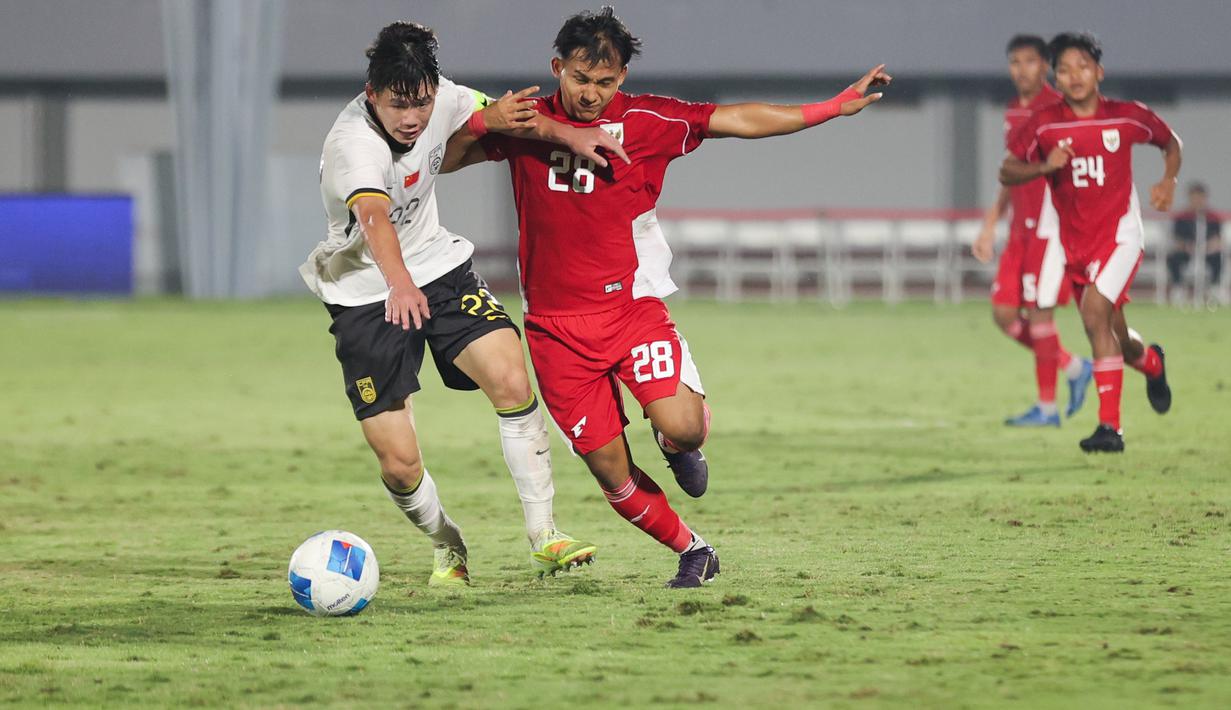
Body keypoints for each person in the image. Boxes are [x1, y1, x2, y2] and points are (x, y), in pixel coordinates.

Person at [443, 6, 889, 586]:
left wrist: (830, 108)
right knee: (611, 472)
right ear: (557, 68)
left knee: (684, 427)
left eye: (604, 82)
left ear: (621, 78)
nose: (590, 95)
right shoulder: (523, 121)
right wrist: (483, 123)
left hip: (630, 311)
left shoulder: (651, 119)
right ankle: (695, 550)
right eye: (580, 79)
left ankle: (674, 440)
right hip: (554, 330)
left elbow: (739, 119)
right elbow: (443, 159)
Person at [298, 21, 626, 585]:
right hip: (364, 294)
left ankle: (545, 536)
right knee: (399, 463)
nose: (413, 119)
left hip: (439, 269)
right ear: (372, 94)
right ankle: (447, 542)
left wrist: (568, 136)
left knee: (510, 377)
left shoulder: (442, 95)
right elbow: (374, 217)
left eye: (422, 104)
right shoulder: (351, 144)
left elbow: (507, 115)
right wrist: (398, 284)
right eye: (399, 105)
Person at [1000, 32, 1178, 453]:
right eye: (1064, 69)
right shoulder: (1044, 124)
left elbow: (1170, 142)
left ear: (1098, 72)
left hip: (1120, 238)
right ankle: (1151, 364)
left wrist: (1169, 180)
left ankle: (1109, 429)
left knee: (1095, 315)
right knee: (1114, 333)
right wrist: (1045, 165)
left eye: (1082, 66)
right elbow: (1008, 170)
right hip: (1076, 246)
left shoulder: (1126, 116)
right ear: (1055, 78)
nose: (1074, 75)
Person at [972, 34, 1092, 427]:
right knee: (1004, 313)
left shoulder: (1056, 109)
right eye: (1014, 62)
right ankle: (1073, 367)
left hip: (1047, 228)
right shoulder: (1013, 110)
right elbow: (1010, 169)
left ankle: (1046, 408)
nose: (1020, 69)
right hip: (1019, 229)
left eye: (1029, 61)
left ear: (1045, 67)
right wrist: (990, 224)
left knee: (1040, 319)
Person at [1167, 182, 1223, 298]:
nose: (1197, 201)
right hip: (1187, 250)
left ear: (1205, 198)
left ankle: (1214, 288)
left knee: (1218, 257)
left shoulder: (1213, 217)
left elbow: (1218, 239)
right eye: (1194, 198)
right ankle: (1178, 288)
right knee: (1173, 258)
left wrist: (1208, 247)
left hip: (1208, 251)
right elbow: (1176, 238)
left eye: (1200, 198)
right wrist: (1187, 247)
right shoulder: (1181, 217)